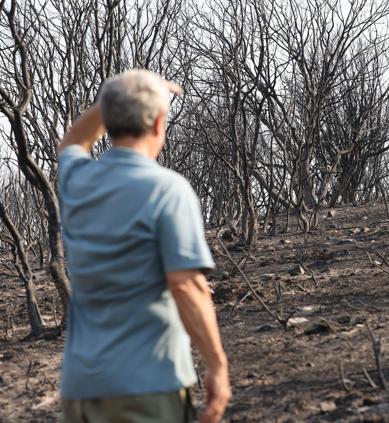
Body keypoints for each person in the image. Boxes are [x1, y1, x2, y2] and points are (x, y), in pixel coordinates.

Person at [57, 69, 231, 423]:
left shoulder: (76, 180)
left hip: (81, 390)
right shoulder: (168, 190)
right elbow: (185, 285)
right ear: (159, 123)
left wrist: (119, 97)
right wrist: (217, 365)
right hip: (147, 387)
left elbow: (74, 139)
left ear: (109, 119)